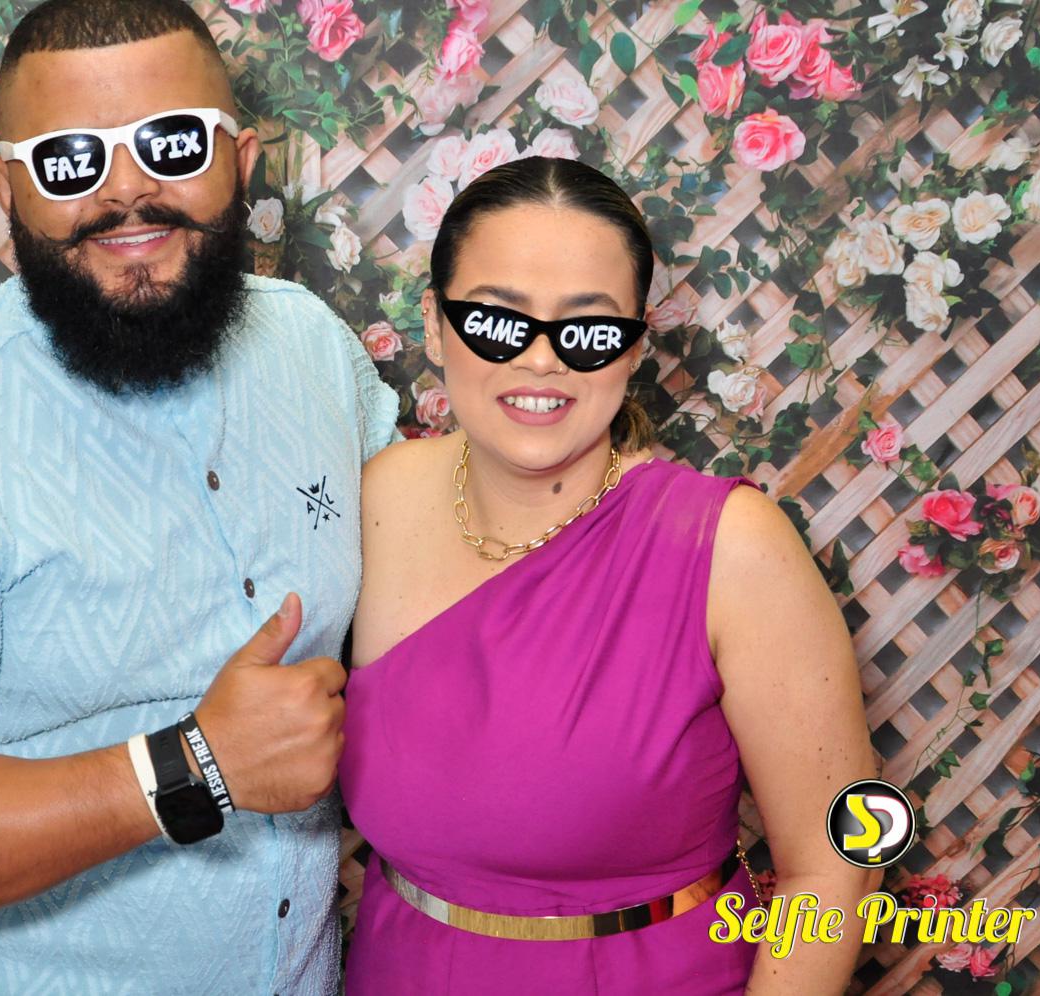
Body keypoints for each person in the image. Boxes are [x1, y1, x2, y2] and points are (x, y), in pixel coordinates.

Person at [0, 1, 396, 993]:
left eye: (172, 144)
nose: (127, 193)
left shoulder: (314, 350)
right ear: (6, 188)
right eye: (70, 160)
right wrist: (194, 766)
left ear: (241, 159)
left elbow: (418, 580)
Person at [338, 157, 880, 993]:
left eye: (587, 329)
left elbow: (838, 862)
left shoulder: (732, 548)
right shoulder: (375, 500)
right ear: (436, 325)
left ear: (633, 349)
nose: (541, 360)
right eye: (497, 319)